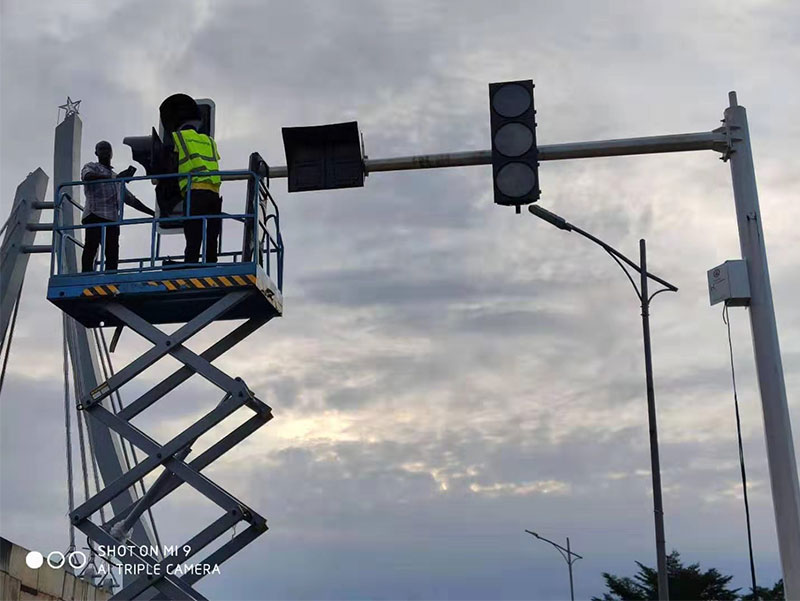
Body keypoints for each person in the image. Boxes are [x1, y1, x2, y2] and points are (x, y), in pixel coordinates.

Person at [81, 141, 155, 272]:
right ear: (96, 153)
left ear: (111, 153)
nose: (105, 151)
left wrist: (153, 213)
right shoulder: (92, 166)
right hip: (94, 215)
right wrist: (111, 177)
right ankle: (85, 275)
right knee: (91, 247)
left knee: (112, 252)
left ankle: (111, 277)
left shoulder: (116, 177)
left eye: (107, 149)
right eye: (101, 149)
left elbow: (130, 200)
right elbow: (87, 176)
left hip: (112, 219)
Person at [170, 112, 222, 265]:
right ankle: (211, 263)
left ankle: (190, 264)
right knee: (212, 234)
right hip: (214, 192)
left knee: (193, 233)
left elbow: (174, 163)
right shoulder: (209, 141)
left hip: (195, 190)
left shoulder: (180, 137)